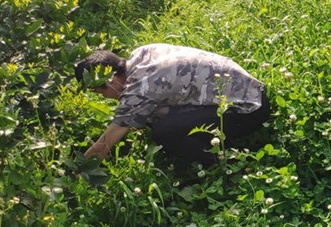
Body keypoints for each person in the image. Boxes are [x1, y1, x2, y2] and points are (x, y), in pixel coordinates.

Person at [75, 44, 270, 165]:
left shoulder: (142, 86)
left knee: (163, 131)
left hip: (248, 111)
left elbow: (107, 141)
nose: (106, 98)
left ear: (111, 80)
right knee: (155, 117)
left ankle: (215, 162)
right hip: (250, 93)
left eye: (101, 92)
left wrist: (79, 170)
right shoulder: (143, 54)